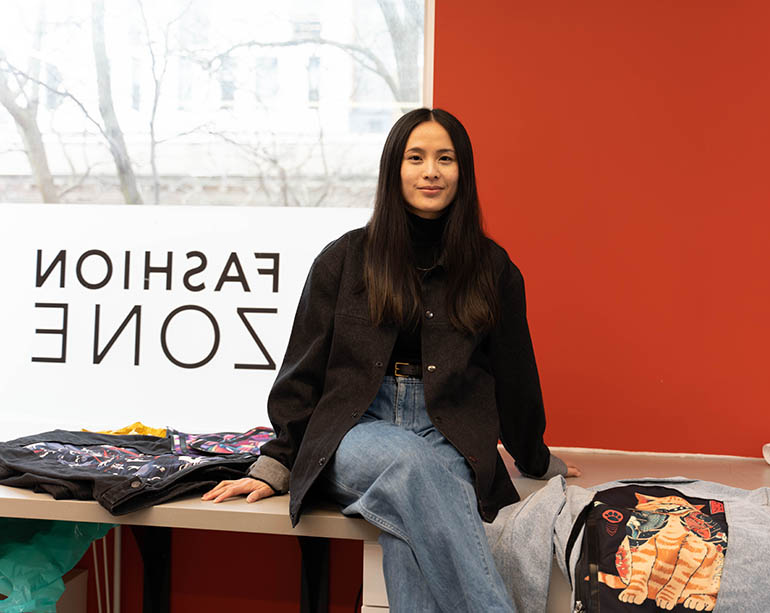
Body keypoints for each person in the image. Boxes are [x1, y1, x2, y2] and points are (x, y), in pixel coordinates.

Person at [203, 108, 580, 611]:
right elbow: (302, 372)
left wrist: (534, 456)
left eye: (445, 158)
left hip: (449, 431)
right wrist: (277, 462)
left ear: (462, 172)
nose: (431, 171)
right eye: (416, 157)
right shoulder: (343, 259)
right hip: (357, 429)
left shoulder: (493, 269)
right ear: (393, 169)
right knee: (416, 471)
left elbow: (515, 377)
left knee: (413, 518)